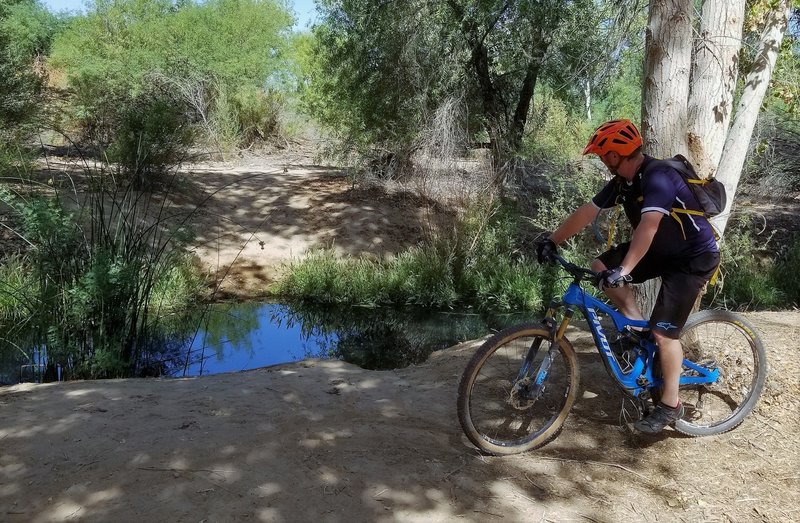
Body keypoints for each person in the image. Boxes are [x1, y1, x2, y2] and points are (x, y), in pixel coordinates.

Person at [536, 119, 720, 434]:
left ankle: (671, 405)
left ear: (615, 154)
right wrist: (553, 239)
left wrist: (625, 270)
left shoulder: (658, 177)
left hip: (692, 259)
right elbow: (587, 211)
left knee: (665, 335)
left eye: (602, 154)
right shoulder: (624, 181)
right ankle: (636, 327)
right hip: (661, 251)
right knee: (599, 266)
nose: (600, 160)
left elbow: (648, 226)